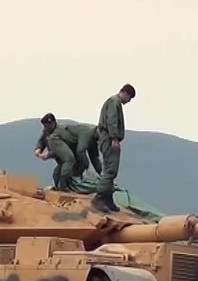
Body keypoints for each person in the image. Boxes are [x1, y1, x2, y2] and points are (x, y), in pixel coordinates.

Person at [93, 84, 135, 212]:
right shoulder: (114, 102)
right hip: (109, 138)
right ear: (125, 93)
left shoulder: (113, 102)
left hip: (107, 137)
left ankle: (108, 198)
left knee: (109, 169)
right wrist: (114, 138)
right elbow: (112, 120)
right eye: (130, 98)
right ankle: (99, 198)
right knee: (111, 170)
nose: (129, 101)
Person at [34, 113, 102, 191]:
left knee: (62, 170)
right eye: (45, 126)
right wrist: (38, 149)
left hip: (67, 154)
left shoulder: (60, 130)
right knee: (68, 161)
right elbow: (80, 150)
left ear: (53, 123)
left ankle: (62, 187)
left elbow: (94, 158)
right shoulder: (53, 134)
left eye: (47, 125)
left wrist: (101, 176)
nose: (46, 128)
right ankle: (62, 187)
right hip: (63, 152)